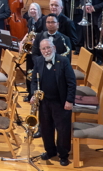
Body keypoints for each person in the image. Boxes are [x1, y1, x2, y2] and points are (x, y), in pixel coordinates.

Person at [30, 39, 76, 167]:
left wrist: (69, 100)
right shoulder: (38, 61)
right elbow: (34, 81)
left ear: (54, 48)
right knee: (45, 128)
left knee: (62, 129)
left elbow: (71, 83)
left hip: (61, 102)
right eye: (43, 49)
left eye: (48, 48)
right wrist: (33, 94)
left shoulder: (64, 61)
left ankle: (63, 154)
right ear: (40, 50)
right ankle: (50, 151)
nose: (46, 51)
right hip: (44, 102)